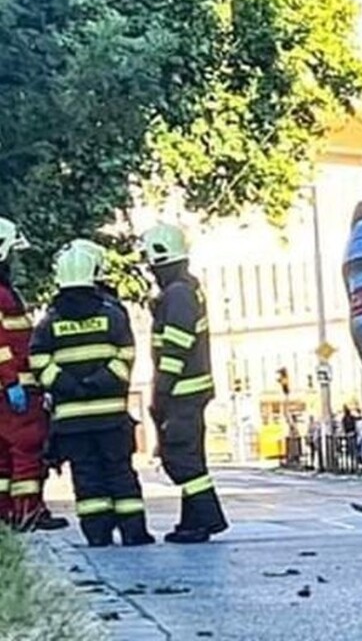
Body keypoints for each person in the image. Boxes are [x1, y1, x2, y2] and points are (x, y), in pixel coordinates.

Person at [29, 243, 153, 547]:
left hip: (72, 420)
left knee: (86, 477)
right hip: (110, 416)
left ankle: (97, 535)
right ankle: (134, 533)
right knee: (120, 472)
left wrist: (68, 385)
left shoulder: (49, 322)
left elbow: (38, 361)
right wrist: (98, 382)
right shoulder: (113, 316)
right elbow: (126, 356)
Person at [140, 222, 228, 543]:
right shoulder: (184, 291)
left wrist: (161, 392)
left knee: (181, 458)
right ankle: (193, 522)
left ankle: (207, 518)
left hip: (182, 393)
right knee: (190, 456)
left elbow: (176, 346)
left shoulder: (177, 295)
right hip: (189, 392)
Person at [0, 218, 68, 532]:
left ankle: (6, 513)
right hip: (15, 391)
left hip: (8, 388)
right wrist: (12, 381)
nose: (15, 261)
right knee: (27, 450)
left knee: (3, 459)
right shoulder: (3, 296)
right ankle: (29, 512)